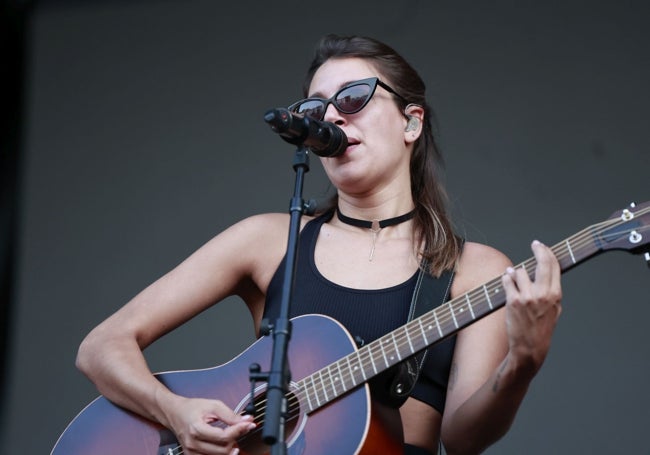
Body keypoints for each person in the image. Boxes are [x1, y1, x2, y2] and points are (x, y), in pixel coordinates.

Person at [76, 34, 562, 455]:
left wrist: (523, 362)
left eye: (353, 97)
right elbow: (101, 346)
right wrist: (175, 412)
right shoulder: (267, 240)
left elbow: (462, 442)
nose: (331, 116)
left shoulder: (474, 269)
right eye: (315, 108)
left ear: (411, 122)